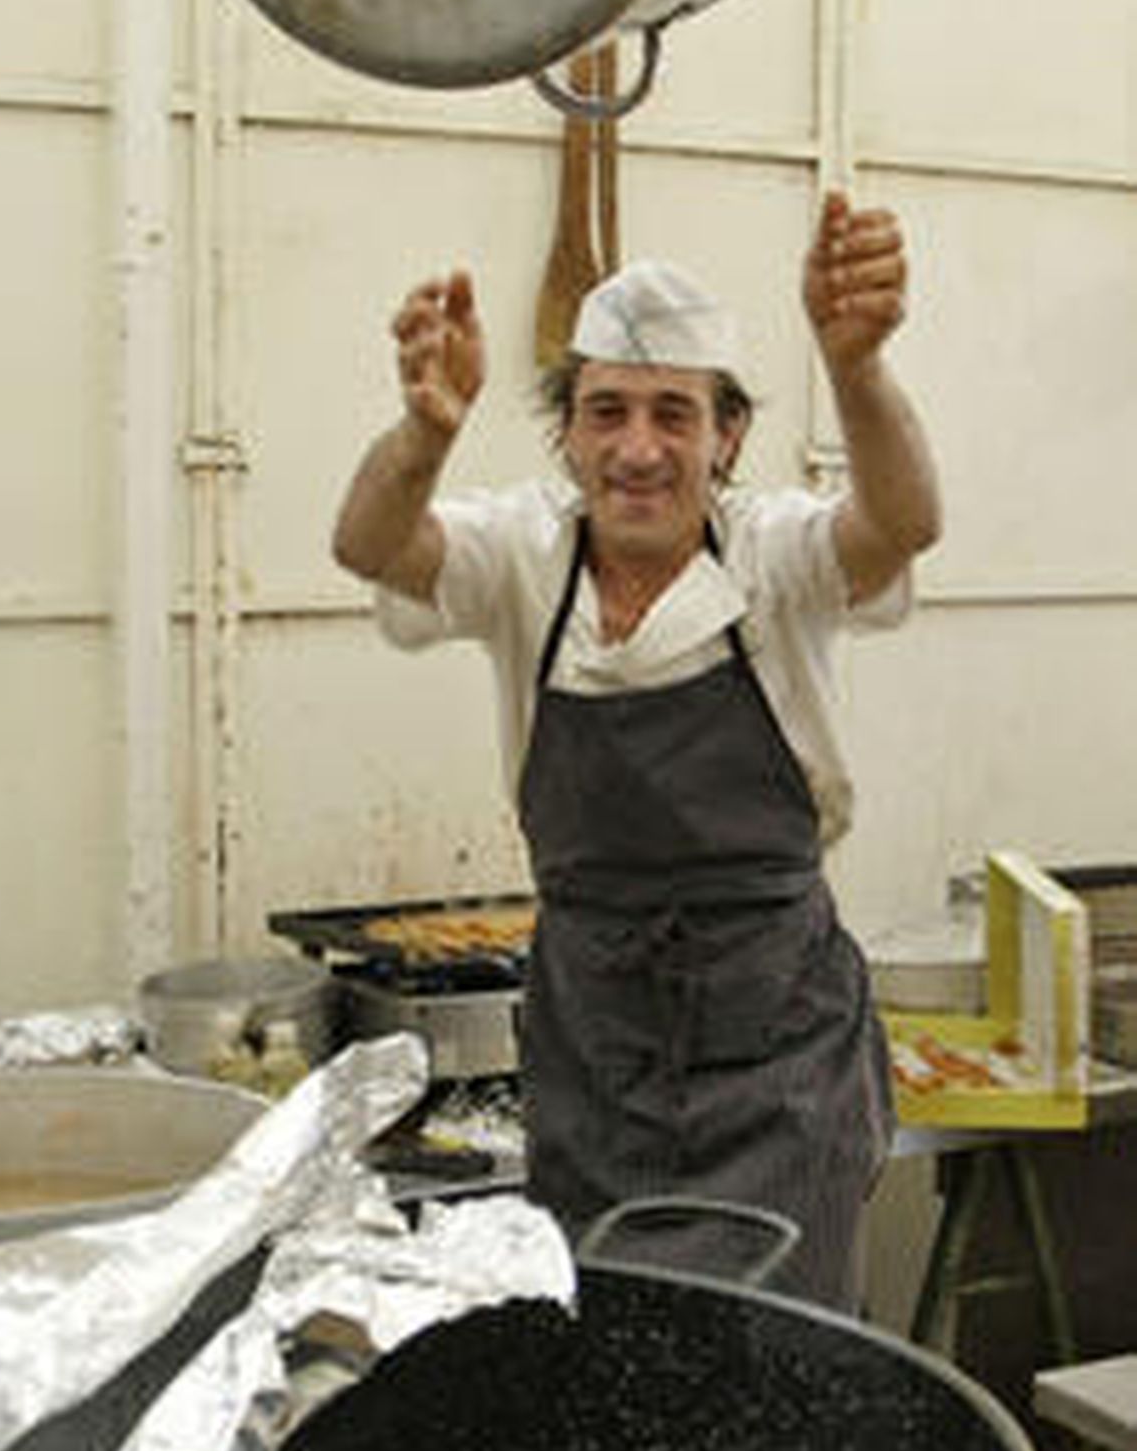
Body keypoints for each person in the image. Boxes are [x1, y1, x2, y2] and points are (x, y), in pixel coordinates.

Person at [331, 193, 941, 1307]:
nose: (638, 450)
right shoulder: (523, 556)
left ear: (727, 436)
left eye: (674, 414)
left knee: (775, 1355)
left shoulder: (775, 557)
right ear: (567, 433)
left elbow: (900, 525)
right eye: (606, 412)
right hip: (595, 1053)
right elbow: (370, 543)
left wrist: (856, 368)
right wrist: (423, 436)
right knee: (612, 1346)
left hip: (780, 1057)